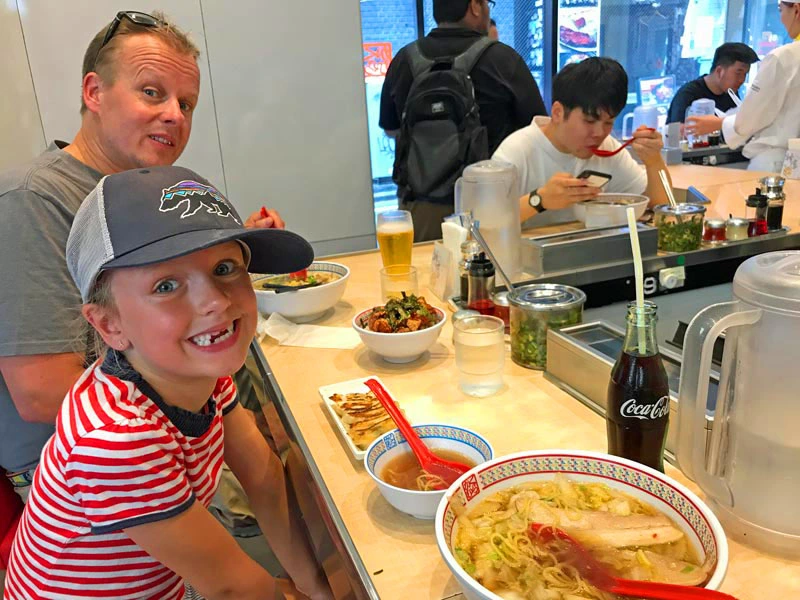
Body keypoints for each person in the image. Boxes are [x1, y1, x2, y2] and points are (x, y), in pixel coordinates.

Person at [3, 166, 331, 600]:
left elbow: (265, 476)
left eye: (226, 267)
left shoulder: (200, 374)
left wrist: (320, 588)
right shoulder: (116, 440)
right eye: (167, 284)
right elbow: (233, 586)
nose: (214, 301)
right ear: (109, 324)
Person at [0, 11, 281, 503]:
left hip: (189, 416)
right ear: (94, 92)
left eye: (187, 103)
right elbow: (42, 391)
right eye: (152, 92)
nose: (176, 115)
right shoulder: (33, 200)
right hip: (92, 470)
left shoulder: (139, 193)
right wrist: (214, 419)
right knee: (306, 490)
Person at [380, 0, 547, 241]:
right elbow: (536, 130)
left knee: (428, 273)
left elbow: (391, 128)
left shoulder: (404, 60)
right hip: (490, 204)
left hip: (422, 207)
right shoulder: (503, 59)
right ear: (475, 6)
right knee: (492, 274)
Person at [491, 57, 669, 224]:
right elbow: (482, 224)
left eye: (609, 122)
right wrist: (540, 200)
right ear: (558, 112)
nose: (600, 133)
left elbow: (662, 208)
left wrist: (653, 160)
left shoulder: (608, 149)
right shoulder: (516, 151)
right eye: (589, 121)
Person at [712, 2, 800, 171]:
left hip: (776, 163)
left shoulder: (783, 58)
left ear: (796, 10)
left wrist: (719, 123)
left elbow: (749, 120)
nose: (781, 19)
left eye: (781, 10)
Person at [667, 42, 759, 130]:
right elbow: (676, 133)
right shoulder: (688, 94)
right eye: (738, 73)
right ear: (719, 71)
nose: (742, 80)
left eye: (745, 74)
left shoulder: (731, 95)